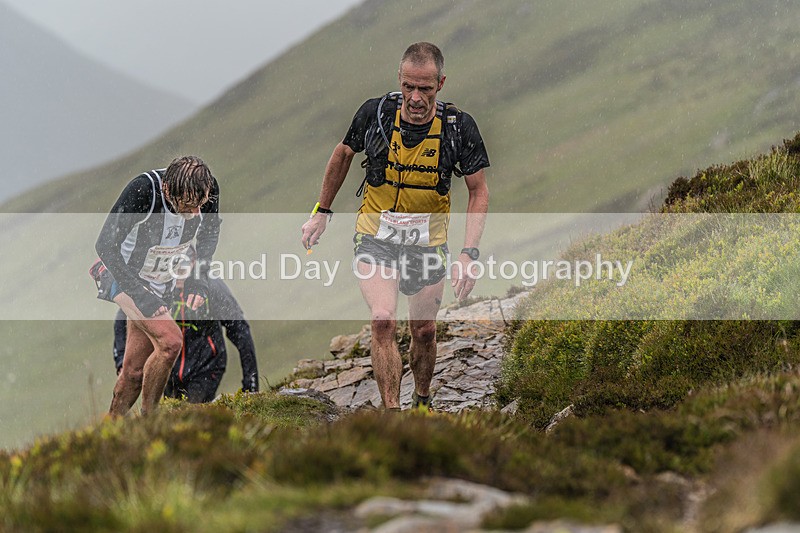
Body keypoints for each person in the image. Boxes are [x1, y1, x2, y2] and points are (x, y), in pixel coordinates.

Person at [300, 42, 490, 411]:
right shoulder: (375, 114)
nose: (415, 98)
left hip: (427, 243)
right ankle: (392, 413)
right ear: (399, 80)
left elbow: (478, 190)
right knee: (383, 320)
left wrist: (468, 254)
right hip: (376, 238)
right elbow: (342, 154)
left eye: (425, 89)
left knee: (424, 331)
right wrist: (321, 211)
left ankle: (421, 401)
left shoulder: (457, 127)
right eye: (408, 87)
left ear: (441, 83)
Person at [95, 155, 221, 416]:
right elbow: (105, 245)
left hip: (161, 279)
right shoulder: (143, 191)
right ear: (168, 191)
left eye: (200, 204)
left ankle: (109, 430)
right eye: (188, 206)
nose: (196, 213)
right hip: (122, 275)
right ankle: (150, 422)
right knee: (171, 342)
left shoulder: (206, 188)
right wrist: (139, 293)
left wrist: (199, 279)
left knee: (133, 371)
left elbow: (209, 232)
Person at [112, 249, 259, 403]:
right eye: (174, 269)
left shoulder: (211, 286)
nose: (179, 276)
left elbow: (241, 332)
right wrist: (121, 361)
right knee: (170, 416)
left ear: (193, 263)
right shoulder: (158, 285)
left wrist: (251, 384)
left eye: (183, 269)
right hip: (169, 367)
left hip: (206, 366)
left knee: (188, 411)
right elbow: (124, 316)